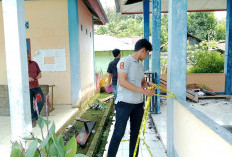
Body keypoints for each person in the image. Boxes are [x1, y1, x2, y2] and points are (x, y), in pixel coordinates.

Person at [107, 39, 155, 157]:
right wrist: (143, 91)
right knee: (118, 133)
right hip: (124, 104)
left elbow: (142, 81)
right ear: (143, 50)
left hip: (138, 105)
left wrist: (148, 85)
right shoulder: (124, 62)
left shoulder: (140, 65)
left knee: (136, 134)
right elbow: (122, 82)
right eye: (147, 53)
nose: (147, 56)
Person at [27, 52, 44, 127]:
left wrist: (39, 76)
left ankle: (34, 117)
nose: (28, 56)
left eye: (28, 54)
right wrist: (27, 78)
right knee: (29, 105)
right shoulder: (20, 65)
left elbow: (40, 73)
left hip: (36, 87)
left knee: (41, 101)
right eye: (26, 55)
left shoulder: (34, 63)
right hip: (27, 88)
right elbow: (18, 75)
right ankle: (32, 120)